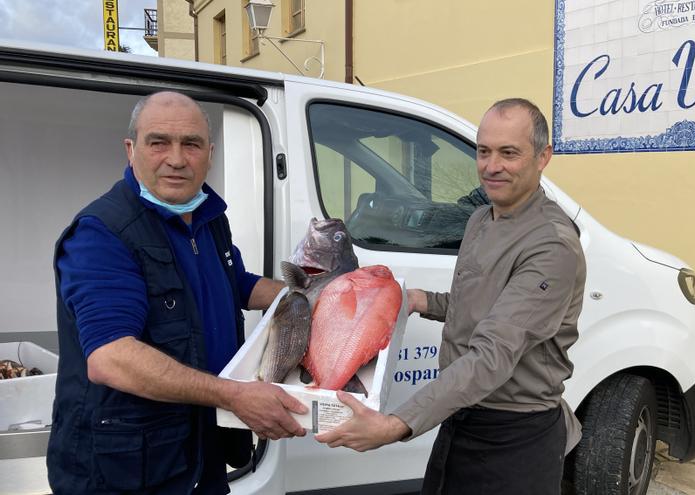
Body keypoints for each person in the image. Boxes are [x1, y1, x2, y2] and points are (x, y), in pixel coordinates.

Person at [316, 98, 587, 494]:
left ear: (543, 156)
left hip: (514, 437)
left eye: (509, 153)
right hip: (462, 419)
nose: (492, 166)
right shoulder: (481, 218)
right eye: (483, 151)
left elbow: (492, 355)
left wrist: (395, 424)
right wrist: (419, 300)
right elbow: (476, 303)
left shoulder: (552, 247)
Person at [48, 91, 308, 494]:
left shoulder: (206, 217)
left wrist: (310, 298)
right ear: (131, 149)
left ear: (210, 152)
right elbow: (111, 358)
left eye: (191, 143)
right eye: (159, 143)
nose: (176, 158)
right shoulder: (103, 233)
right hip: (128, 469)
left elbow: (234, 282)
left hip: (198, 452)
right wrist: (235, 395)